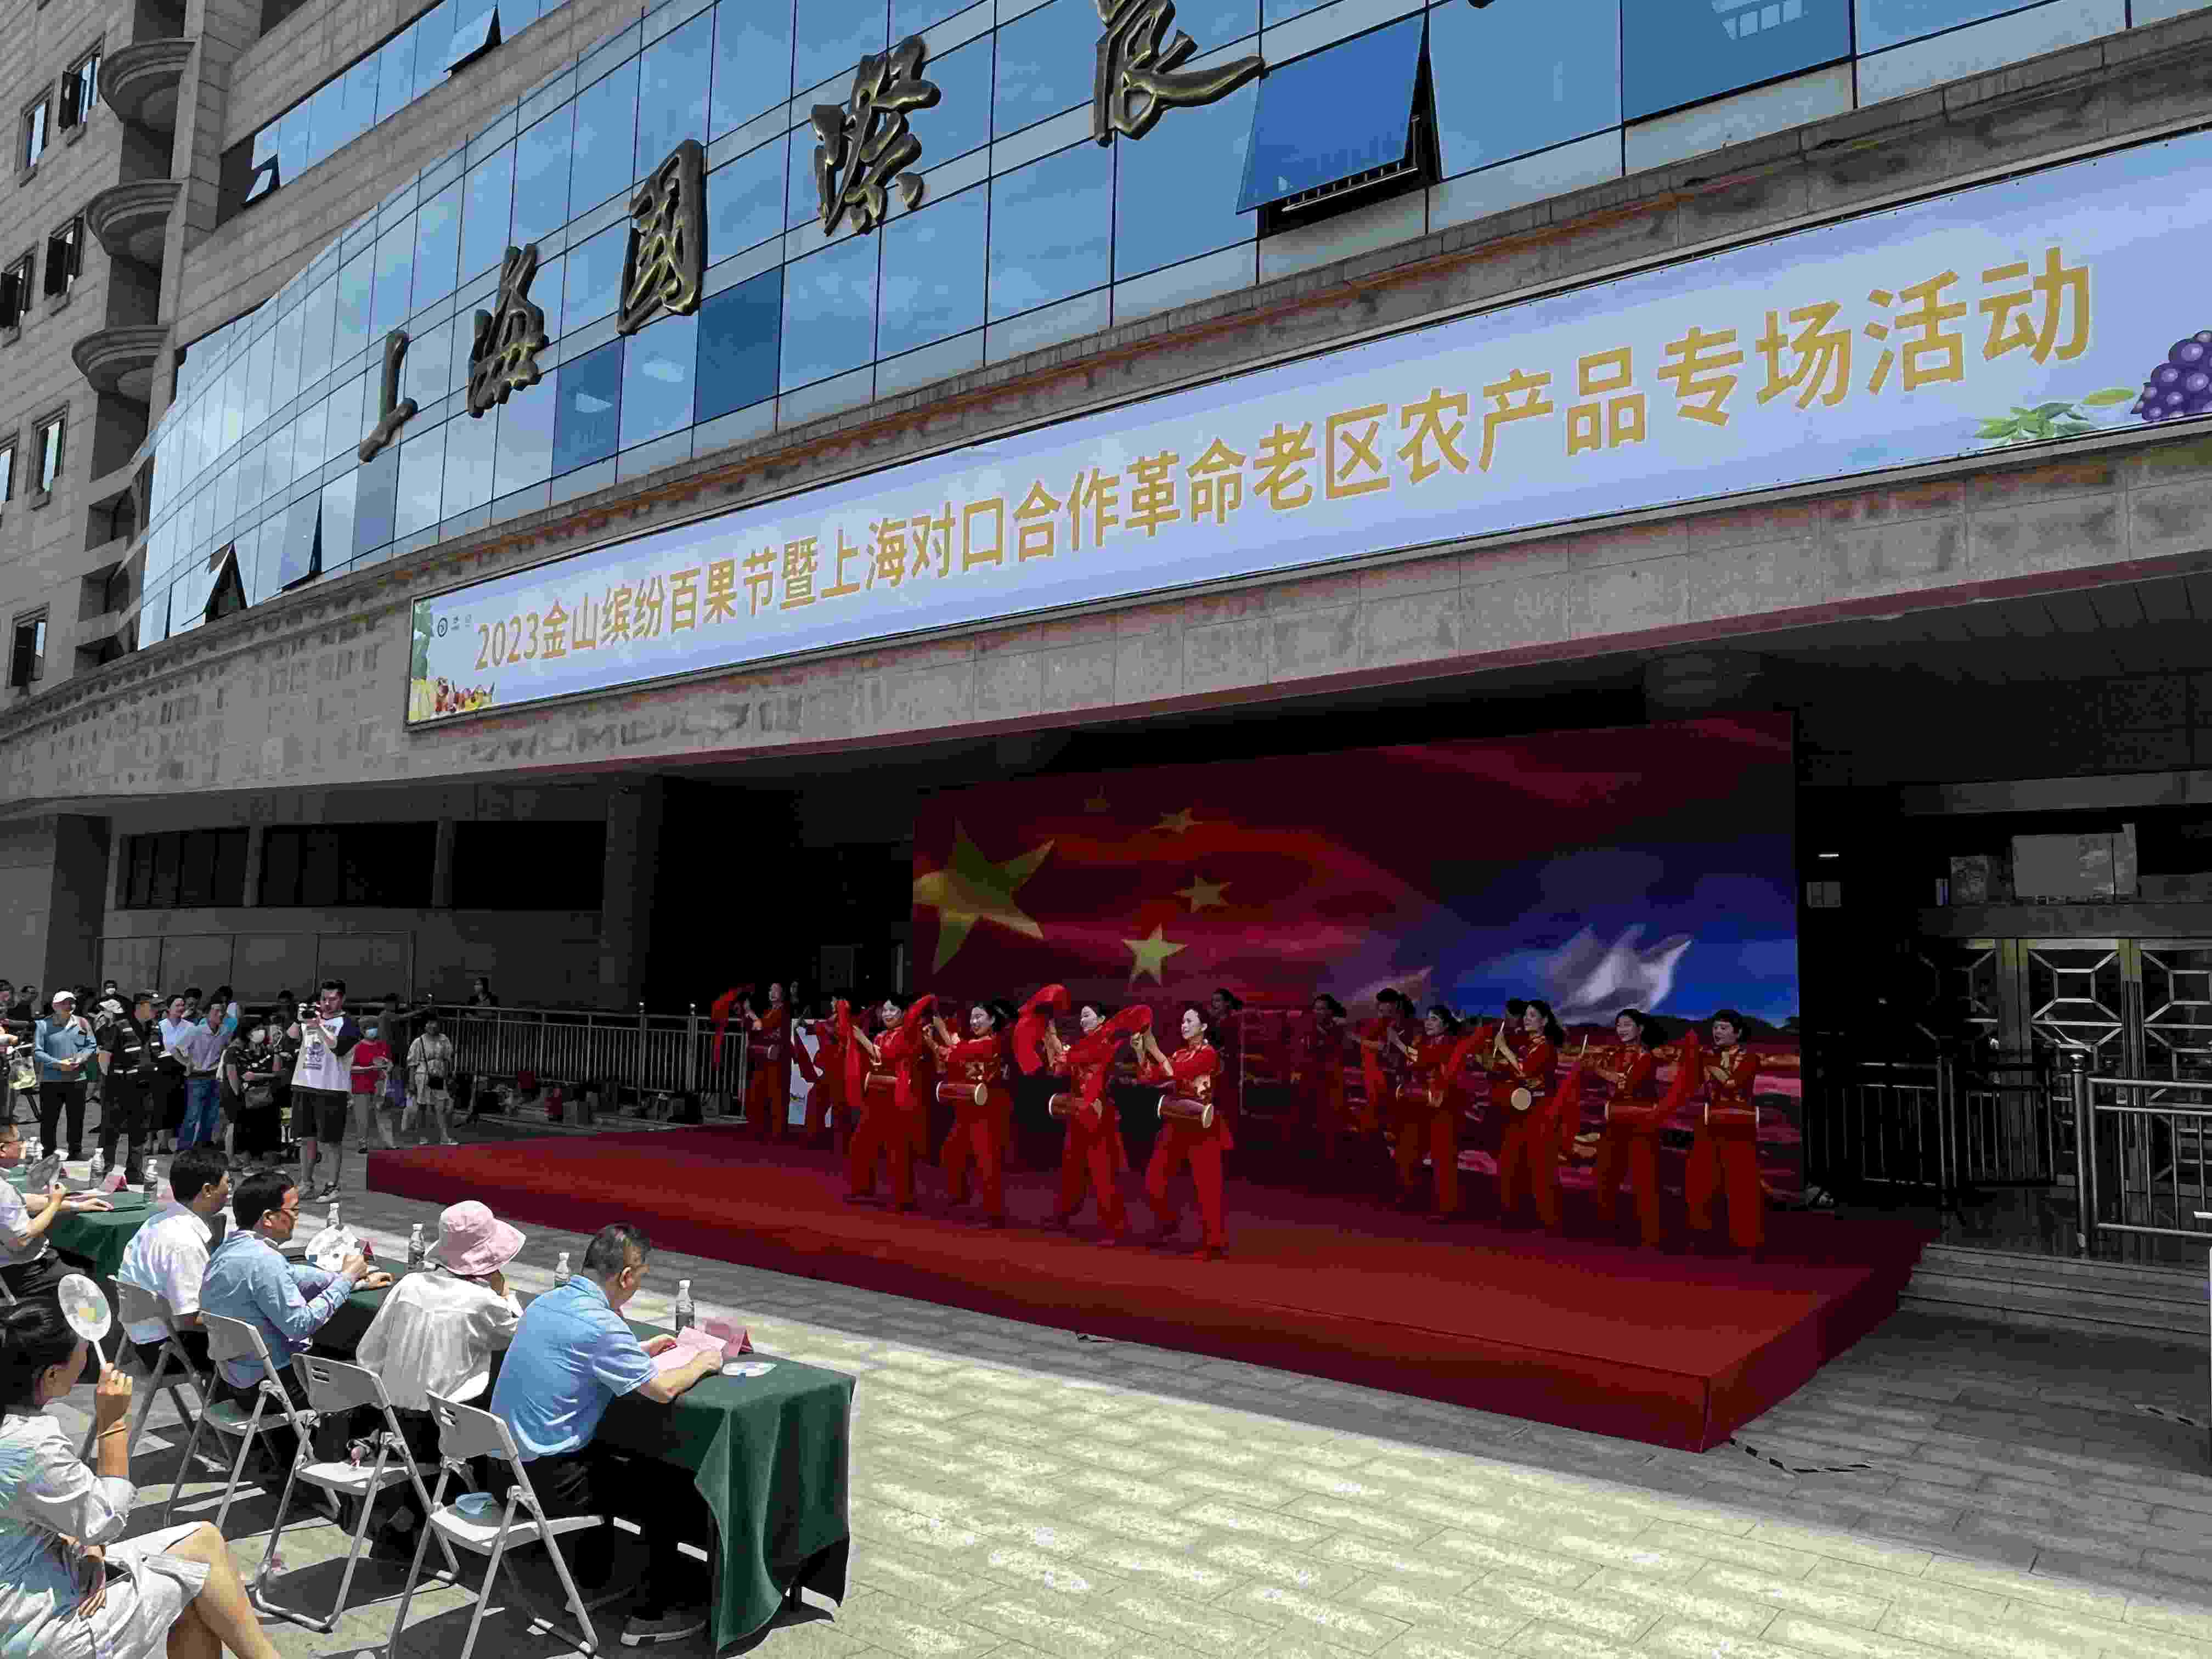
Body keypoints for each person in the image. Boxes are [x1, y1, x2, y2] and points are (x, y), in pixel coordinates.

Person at [0, 1300, 294, 1659]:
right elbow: (105, 1521)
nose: (88, 1354)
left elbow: (25, 1511)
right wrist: (112, 1423)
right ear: (51, 1376)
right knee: (203, 1553)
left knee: (196, 1571)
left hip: (28, 1593)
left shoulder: (14, 1431)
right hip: (38, 1627)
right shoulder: (31, 1445)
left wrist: (85, 1545)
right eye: (82, 1347)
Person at [489, 1223, 718, 1645]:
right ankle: (651, 1615)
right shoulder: (602, 1324)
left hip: (504, 1472)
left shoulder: (545, 1302)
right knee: (666, 1481)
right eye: (641, 1278)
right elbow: (663, 1390)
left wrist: (637, 1351)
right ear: (626, 1277)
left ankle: (593, 1579)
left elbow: (577, 1351)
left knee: (612, 1458)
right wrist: (702, 1362)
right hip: (548, 1484)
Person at [354, 1200, 524, 1552]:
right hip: (447, 1430)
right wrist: (506, 1295)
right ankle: (428, 1512)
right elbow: (515, 1333)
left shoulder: (409, 1284)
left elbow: (369, 1354)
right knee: (500, 1409)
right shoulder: (483, 1302)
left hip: (394, 1420)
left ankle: (408, 1512)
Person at [200, 1169, 388, 1470]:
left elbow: (292, 1275)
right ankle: (339, 1458)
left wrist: (350, 1280)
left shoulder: (229, 1250)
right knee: (372, 1371)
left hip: (237, 1380)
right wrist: (347, 1279)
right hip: (272, 1389)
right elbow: (300, 1325)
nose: (298, 1218)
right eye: (294, 1211)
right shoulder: (264, 1261)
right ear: (269, 1218)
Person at [117, 1146, 232, 1374]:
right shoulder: (183, 1243)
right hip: (168, 1349)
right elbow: (188, 1319)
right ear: (208, 1190)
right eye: (228, 1183)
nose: (230, 1190)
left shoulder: (159, 1222)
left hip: (146, 1338)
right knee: (264, 1344)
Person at [1045, 1003, 1147, 1242]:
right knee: (1071, 1168)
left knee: (1103, 1173)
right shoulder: (1080, 1045)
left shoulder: (1110, 1044)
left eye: (1087, 1016)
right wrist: (1049, 1039)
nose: (1082, 1021)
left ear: (1101, 1020)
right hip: (1078, 1112)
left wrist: (1059, 1045)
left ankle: (1115, 1227)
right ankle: (1063, 1213)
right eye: (1081, 1017)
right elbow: (1058, 1070)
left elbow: (1085, 1057)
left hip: (1100, 1116)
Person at [1138, 1006, 1231, 1258]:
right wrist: (1141, 1051)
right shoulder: (1180, 1053)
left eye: (1190, 1021)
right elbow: (1150, 1076)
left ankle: (1214, 1243)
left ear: (1204, 1027)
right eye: (1182, 1022)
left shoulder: (1209, 1055)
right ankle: (1168, 1221)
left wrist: (1154, 1047)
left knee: (1207, 1187)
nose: (1184, 1026)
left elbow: (1178, 1072)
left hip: (1202, 1124)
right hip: (1177, 1121)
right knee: (1154, 1179)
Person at [0, 1116, 113, 1299]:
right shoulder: (2, 1190)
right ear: (3, 1149)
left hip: (16, 1268)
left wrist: (76, 1205)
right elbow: (21, 1240)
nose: (23, 1145)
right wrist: (54, 1203)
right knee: (96, 1276)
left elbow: (23, 1202)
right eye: (19, 1141)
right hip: (25, 1272)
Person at [1389, 1007, 1480, 1221]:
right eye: (1427, 1018)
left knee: (1443, 1158)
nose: (1428, 1022)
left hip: (1445, 1107)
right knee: (1408, 1150)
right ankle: (1411, 1196)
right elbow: (1414, 1063)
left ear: (1446, 1025)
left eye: (1434, 1019)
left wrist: (1399, 1043)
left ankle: (1447, 1208)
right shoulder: (1425, 1043)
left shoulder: (1450, 1044)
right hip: (1422, 1104)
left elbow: (1425, 1059)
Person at [844, 995, 934, 1211]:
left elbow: (888, 1055)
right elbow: (874, 1060)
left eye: (892, 1010)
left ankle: (903, 1198)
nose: (887, 1014)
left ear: (904, 1013)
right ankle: (863, 1188)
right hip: (877, 1097)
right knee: (860, 1143)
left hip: (897, 1098)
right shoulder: (881, 1035)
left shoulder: (909, 1034)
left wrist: (862, 1040)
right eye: (884, 1010)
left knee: (898, 1149)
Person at [925, 1001, 1011, 1227]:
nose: (974, 1022)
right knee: (950, 1152)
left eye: (979, 1017)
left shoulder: (995, 1043)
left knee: (987, 1161)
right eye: (972, 1017)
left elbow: (958, 1053)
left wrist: (942, 1033)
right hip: (967, 1110)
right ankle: (960, 1195)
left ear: (992, 1020)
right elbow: (951, 1061)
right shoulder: (970, 1043)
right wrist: (935, 1043)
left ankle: (994, 1214)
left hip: (987, 1111)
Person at [1589, 1008, 1668, 1248]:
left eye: (1627, 1025)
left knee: (1644, 1181)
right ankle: (1606, 1229)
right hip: (1616, 1122)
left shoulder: (1648, 1057)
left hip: (1641, 1125)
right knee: (1604, 1175)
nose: (1621, 1029)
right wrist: (1594, 1068)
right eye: (1619, 1025)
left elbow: (1626, 1083)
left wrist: (1599, 1071)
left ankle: (1651, 1237)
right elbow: (1609, 1084)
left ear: (1640, 1029)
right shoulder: (1615, 1054)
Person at [1687, 1009, 1765, 1250]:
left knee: (1741, 1185)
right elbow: (1690, 1085)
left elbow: (1732, 1084)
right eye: (1715, 1028)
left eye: (1723, 1028)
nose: (1717, 1032)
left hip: (1739, 1126)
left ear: (1738, 1033)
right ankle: (1703, 1234)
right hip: (1710, 1124)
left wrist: (1706, 1062)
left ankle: (1745, 1240)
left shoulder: (1751, 1058)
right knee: (1700, 1180)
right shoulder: (1706, 1056)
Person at [287, 979, 362, 1200]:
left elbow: (339, 1048)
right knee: (306, 1138)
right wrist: (299, 1018)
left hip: (331, 1088)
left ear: (342, 999)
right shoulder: (310, 1018)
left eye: (333, 999)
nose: (327, 1003)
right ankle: (306, 1183)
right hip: (304, 1084)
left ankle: (332, 1185)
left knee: (331, 1141)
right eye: (324, 999)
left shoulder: (349, 1023)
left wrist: (319, 1025)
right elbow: (288, 1041)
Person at [1495, 998, 1566, 1231]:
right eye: (1525, 1015)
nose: (1527, 1019)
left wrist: (1503, 1047)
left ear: (1544, 1021)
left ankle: (1549, 1220)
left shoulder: (1546, 1048)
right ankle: (1512, 1212)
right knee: (1509, 1161)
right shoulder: (1527, 1046)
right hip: (1521, 1111)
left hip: (1540, 1112)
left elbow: (1524, 1071)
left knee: (1541, 1167)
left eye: (1533, 1015)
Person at [99, 991, 168, 1185]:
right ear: (140, 1006)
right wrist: (110, 1082)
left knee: (140, 1133)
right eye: (153, 1006)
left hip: (145, 1089)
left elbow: (158, 1053)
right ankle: (105, 1171)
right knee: (111, 1132)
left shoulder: (156, 1028)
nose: (157, 1011)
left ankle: (134, 1172)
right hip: (119, 1089)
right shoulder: (119, 1027)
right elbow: (104, 1057)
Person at [33, 989, 98, 1163]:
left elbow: (91, 1045)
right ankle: (48, 1152)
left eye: (71, 1002)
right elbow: (38, 1051)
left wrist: (81, 1058)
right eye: (64, 1003)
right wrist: (58, 1064)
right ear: (55, 1006)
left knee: (76, 1118)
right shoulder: (43, 1025)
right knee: (49, 1119)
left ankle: (75, 1151)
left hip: (77, 1079)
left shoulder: (82, 1023)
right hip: (51, 1080)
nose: (69, 1006)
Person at [406, 1014, 459, 1146]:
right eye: (429, 1023)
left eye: (434, 1022)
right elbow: (412, 1065)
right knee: (422, 1107)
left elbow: (447, 1060)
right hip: (423, 1075)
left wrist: (448, 1077)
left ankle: (444, 1137)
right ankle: (422, 1137)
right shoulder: (419, 1041)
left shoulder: (444, 1039)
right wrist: (411, 1084)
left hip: (437, 1076)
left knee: (440, 1107)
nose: (432, 1026)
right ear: (424, 1025)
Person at [348, 1018, 396, 1153]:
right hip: (361, 1086)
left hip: (380, 1086)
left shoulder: (383, 1046)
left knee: (384, 1115)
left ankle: (389, 1143)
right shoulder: (356, 1048)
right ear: (363, 1031)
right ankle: (362, 1144)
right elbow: (350, 1068)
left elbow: (390, 1064)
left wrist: (388, 1066)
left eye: (374, 1027)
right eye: (369, 1028)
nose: (373, 1030)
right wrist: (368, 1068)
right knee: (362, 1117)